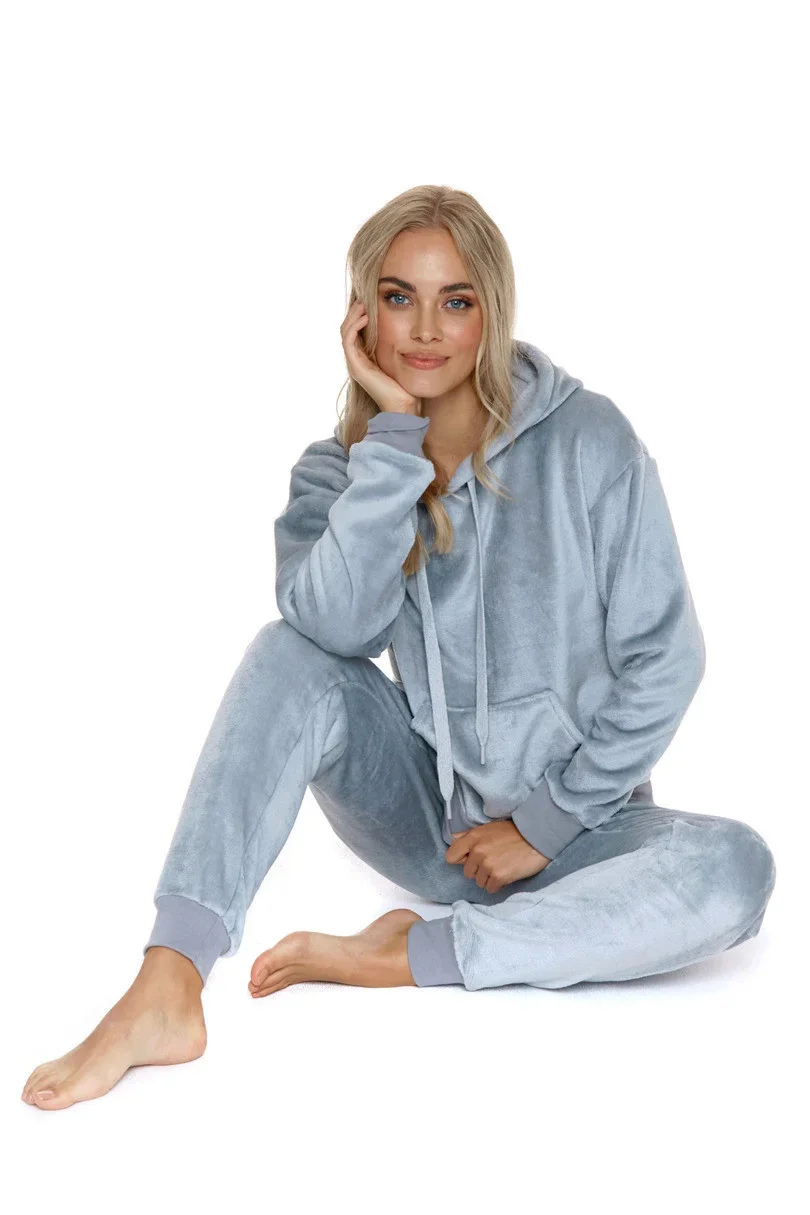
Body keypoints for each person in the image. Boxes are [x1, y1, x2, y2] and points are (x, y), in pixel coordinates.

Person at [22, 185, 776, 1112]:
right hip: (434, 828)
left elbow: (668, 658)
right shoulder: (338, 471)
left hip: (587, 831)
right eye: (396, 297)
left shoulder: (589, 442)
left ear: (492, 314)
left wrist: (543, 826)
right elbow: (332, 633)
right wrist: (391, 444)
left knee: (738, 869)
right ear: (360, 317)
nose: (424, 329)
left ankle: (418, 951)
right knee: (285, 650)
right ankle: (168, 980)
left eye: (455, 300)